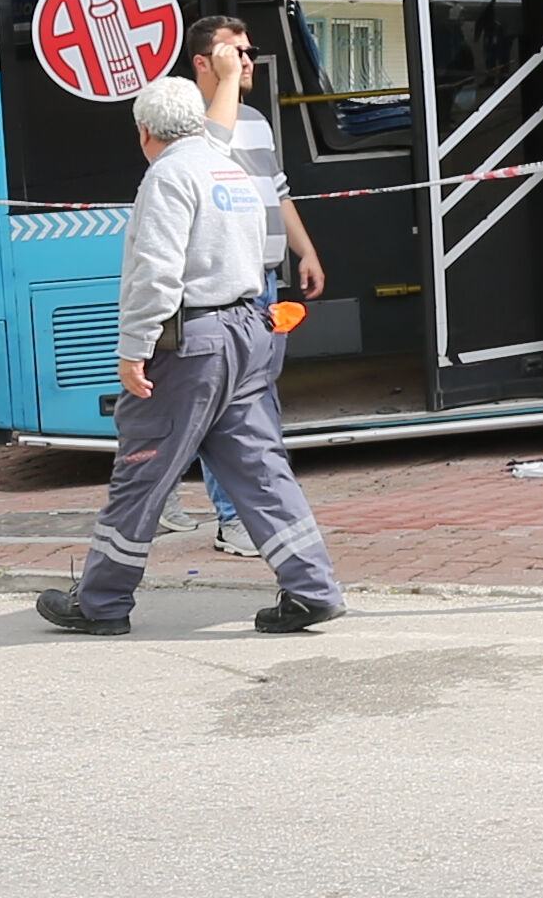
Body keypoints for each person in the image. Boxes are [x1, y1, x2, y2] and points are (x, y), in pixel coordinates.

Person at [34, 76, 342, 640]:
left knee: (141, 470)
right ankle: (311, 589)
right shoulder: (233, 170)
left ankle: (101, 601)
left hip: (193, 342)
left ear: (145, 132)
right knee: (260, 466)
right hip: (249, 331)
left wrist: (132, 351)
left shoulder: (168, 175)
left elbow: (156, 273)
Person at [181, 16, 325, 551]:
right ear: (203, 62)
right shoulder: (189, 122)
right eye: (232, 53)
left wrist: (303, 250)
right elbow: (204, 162)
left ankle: (253, 514)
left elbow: (277, 190)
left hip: (262, 282)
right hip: (224, 291)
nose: (246, 62)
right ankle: (233, 517)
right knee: (232, 408)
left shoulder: (257, 122)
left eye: (248, 50)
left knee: (257, 402)